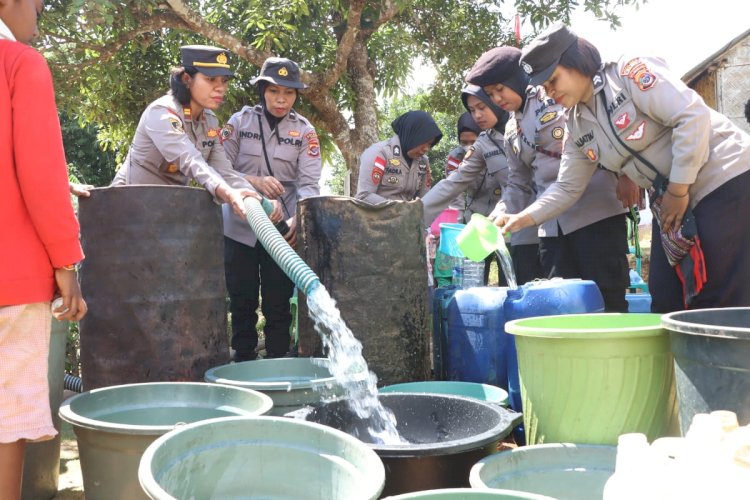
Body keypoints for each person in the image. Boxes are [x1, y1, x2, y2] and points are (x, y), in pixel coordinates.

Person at [501, 23, 750, 311]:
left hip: (724, 178)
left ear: (575, 62)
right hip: (673, 199)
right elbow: (567, 187)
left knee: (719, 295)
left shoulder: (628, 73)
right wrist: (522, 219)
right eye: (544, 87)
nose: (549, 92)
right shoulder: (576, 123)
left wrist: (679, 189)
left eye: (553, 80)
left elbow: (691, 115)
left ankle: (722, 356)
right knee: (665, 298)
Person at [466, 46, 635, 311]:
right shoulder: (512, 128)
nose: (497, 98)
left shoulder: (554, 95)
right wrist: (498, 214)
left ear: (515, 78)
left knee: (607, 299)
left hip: (595, 213)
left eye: (500, 89)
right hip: (551, 228)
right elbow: (518, 184)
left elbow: (602, 124)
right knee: (562, 306)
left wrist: (626, 173)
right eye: (490, 94)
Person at [1, 2, 87, 498]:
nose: (39, 10)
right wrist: (65, 263)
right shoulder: (19, 63)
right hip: (10, 280)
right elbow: (39, 174)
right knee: (6, 414)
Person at [221, 57, 322, 361]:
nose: (281, 99)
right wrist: (253, 181)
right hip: (239, 226)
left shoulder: (305, 132)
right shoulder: (239, 123)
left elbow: (309, 185)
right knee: (241, 298)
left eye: (289, 93)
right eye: (274, 91)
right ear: (262, 90)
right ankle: (243, 358)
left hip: (282, 230)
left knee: (278, 300)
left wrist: (297, 219)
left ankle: (279, 361)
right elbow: (217, 169)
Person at [111, 45, 266, 219]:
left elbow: (224, 170)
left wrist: (259, 201)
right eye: (211, 79)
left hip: (168, 212)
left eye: (224, 80)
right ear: (187, 79)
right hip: (129, 210)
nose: (220, 88)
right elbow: (191, 160)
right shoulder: (162, 112)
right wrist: (229, 194)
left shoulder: (210, 121)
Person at [423, 85, 542, 285]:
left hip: (556, 224)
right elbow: (453, 182)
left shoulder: (532, 122)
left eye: (481, 107)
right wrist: (413, 213)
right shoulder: (484, 143)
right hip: (518, 234)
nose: (477, 115)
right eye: (472, 110)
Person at [356, 110, 442, 203]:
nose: (426, 149)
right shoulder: (380, 153)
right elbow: (364, 196)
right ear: (413, 135)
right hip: (377, 216)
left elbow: (424, 199)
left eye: (430, 145)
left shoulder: (423, 162)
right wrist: (399, 209)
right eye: (424, 142)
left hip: (408, 216)